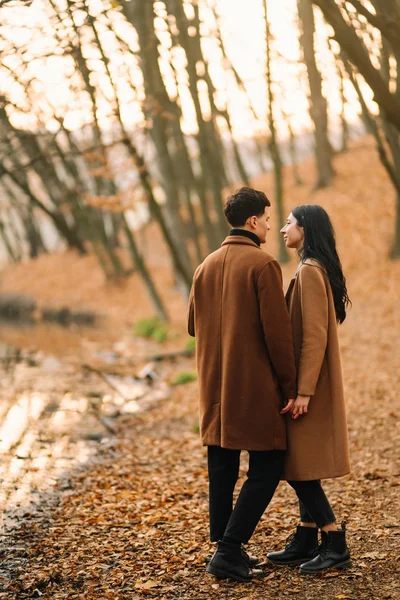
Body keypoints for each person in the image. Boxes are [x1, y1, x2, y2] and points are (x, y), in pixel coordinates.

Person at [187, 187, 297, 582]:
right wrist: (291, 387)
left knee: (222, 468)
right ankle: (230, 550)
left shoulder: (205, 266)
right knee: (267, 466)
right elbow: (278, 337)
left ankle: (223, 550)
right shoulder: (263, 266)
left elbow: (191, 326)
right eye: (268, 218)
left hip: (213, 389)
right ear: (253, 221)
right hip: (252, 387)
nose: (270, 224)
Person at [266, 204, 351, 574]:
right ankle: (305, 535)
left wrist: (303, 392)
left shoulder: (312, 271)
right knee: (304, 463)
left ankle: (334, 541)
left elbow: (314, 337)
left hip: (310, 387)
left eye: (289, 223)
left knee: (298, 465)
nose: (283, 229)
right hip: (310, 384)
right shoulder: (309, 268)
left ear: (306, 229)